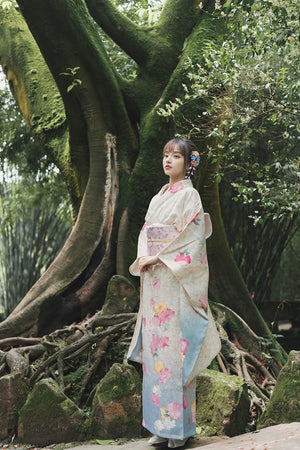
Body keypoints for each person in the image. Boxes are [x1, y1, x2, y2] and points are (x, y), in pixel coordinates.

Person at [127, 138, 221, 448]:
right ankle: (159, 426)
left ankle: (180, 430)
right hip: (154, 284)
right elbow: (146, 232)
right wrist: (143, 256)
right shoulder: (159, 196)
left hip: (175, 280)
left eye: (176, 156)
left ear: (188, 163)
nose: (168, 160)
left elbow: (191, 240)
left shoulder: (190, 196)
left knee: (176, 353)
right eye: (166, 154)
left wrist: (157, 256)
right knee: (156, 354)